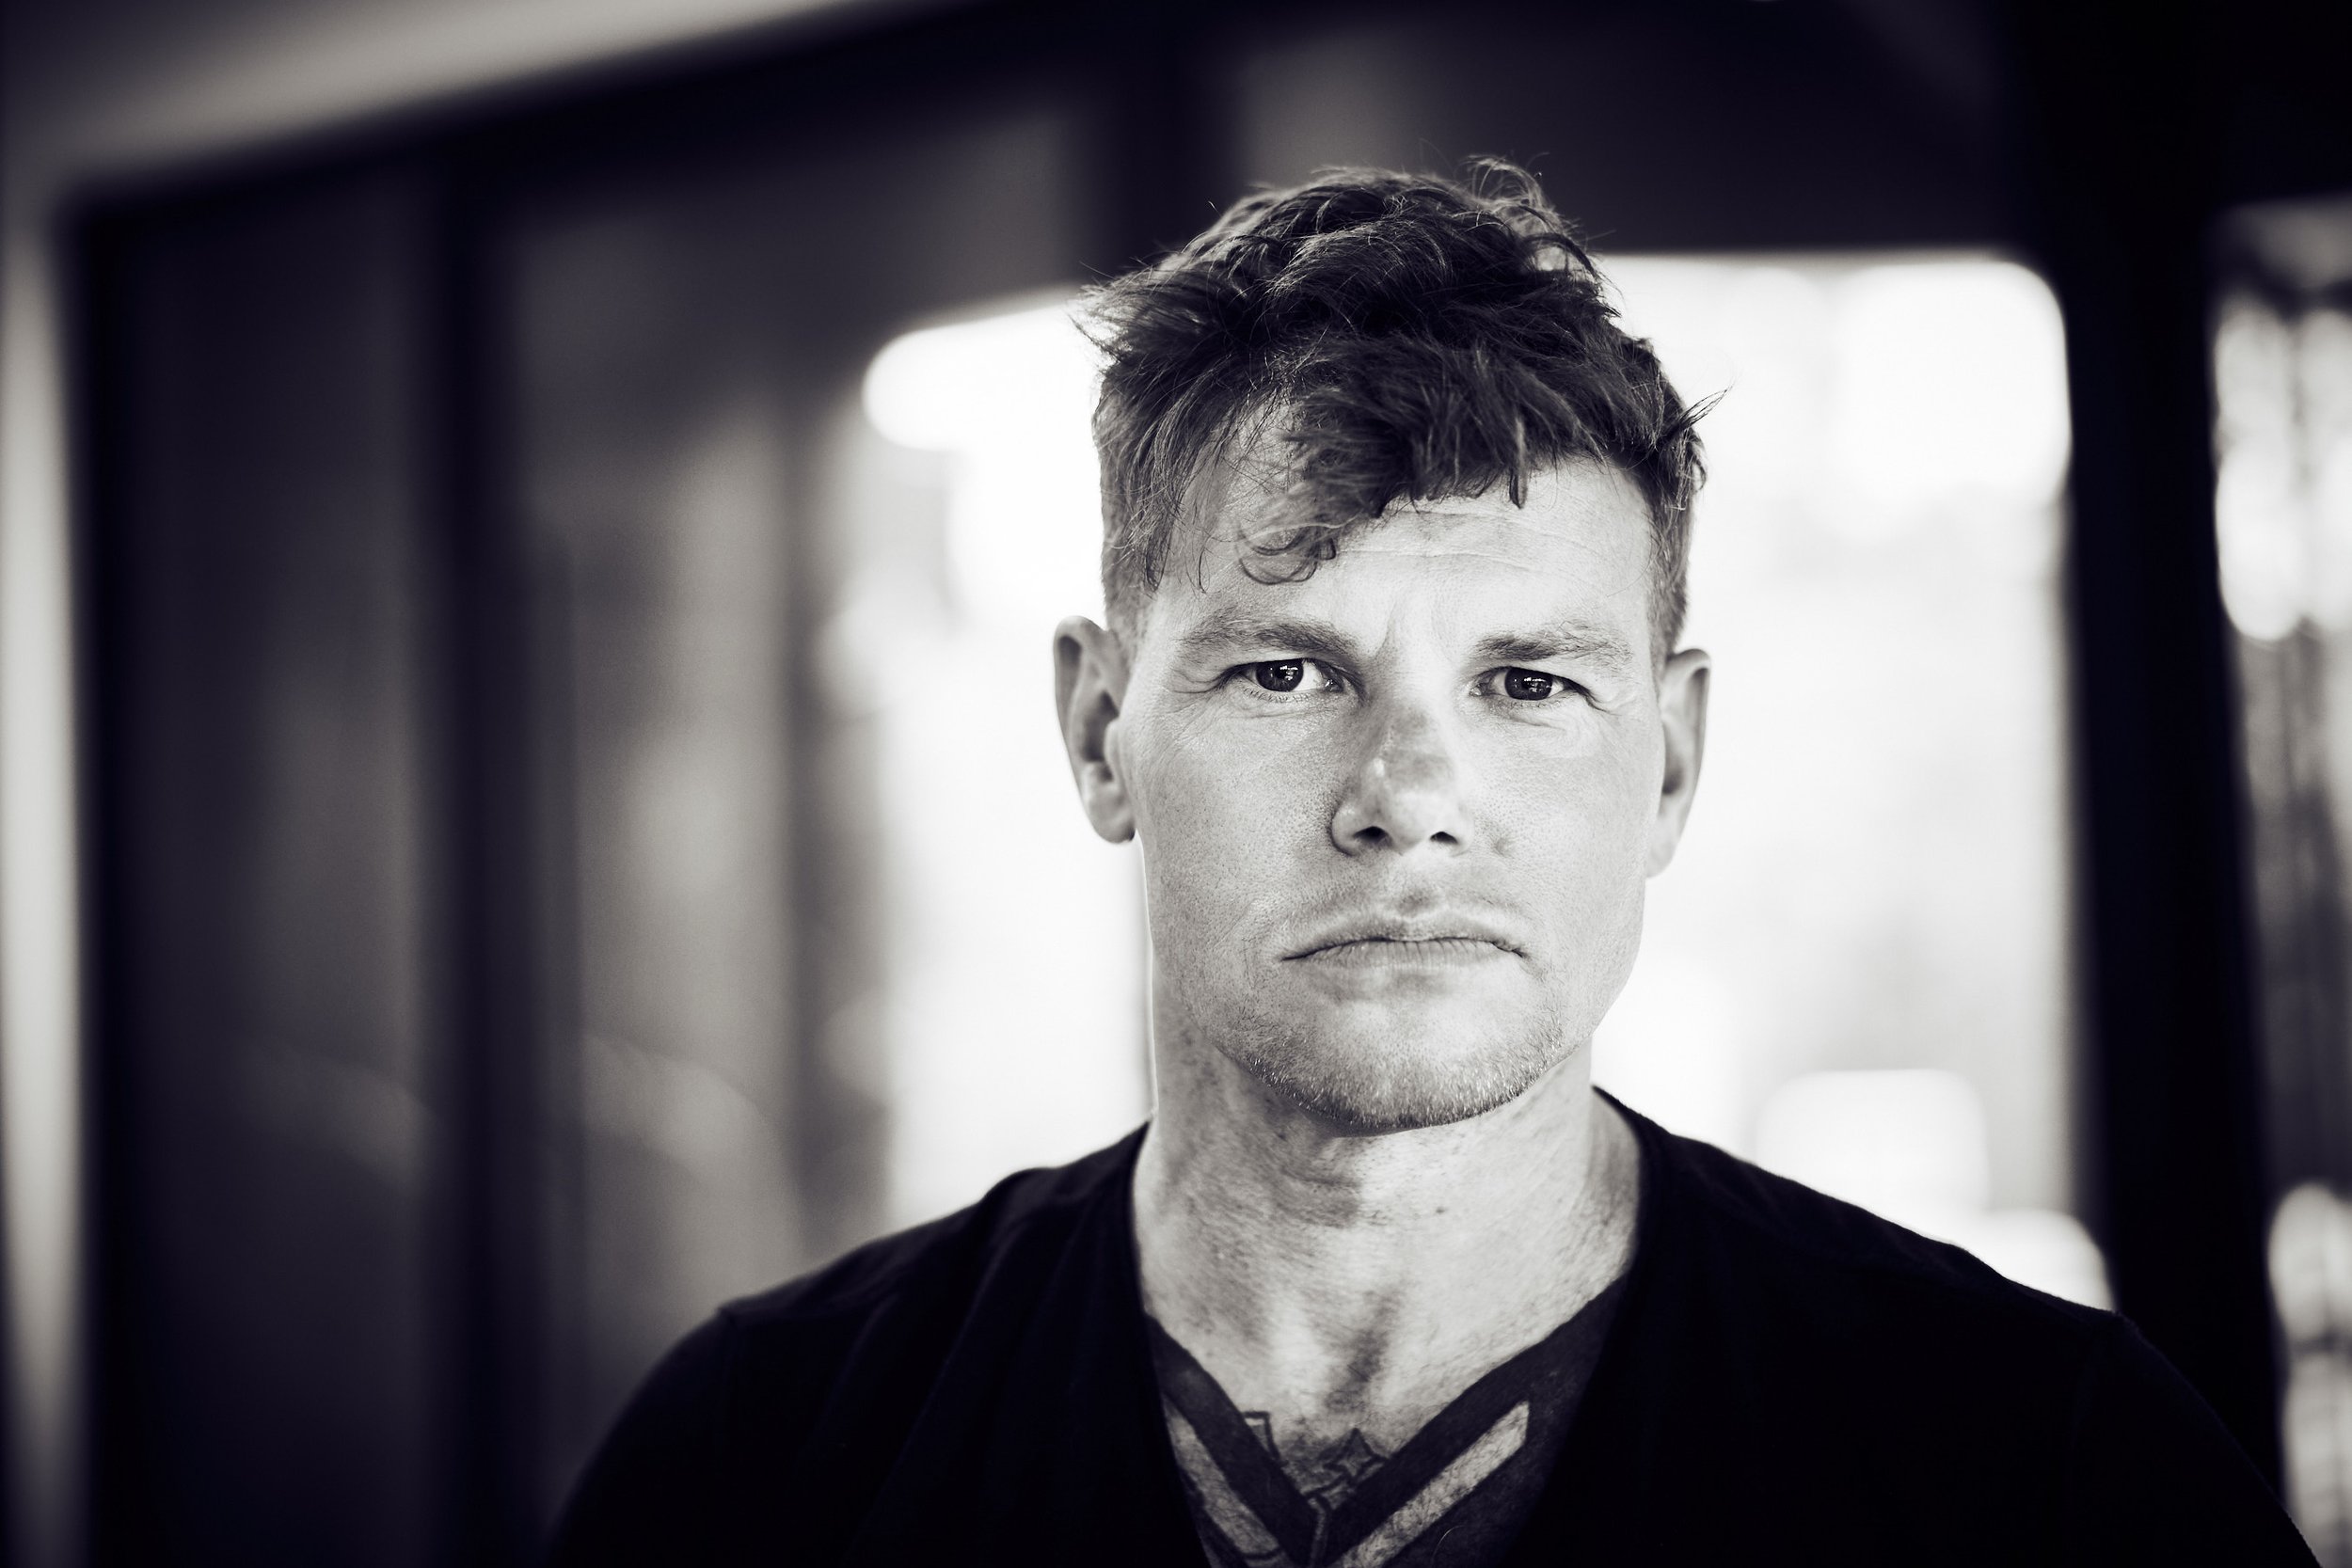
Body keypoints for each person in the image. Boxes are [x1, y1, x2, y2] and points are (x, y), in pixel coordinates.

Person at [546, 164, 2314, 1566]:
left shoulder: (2037, 1473)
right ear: (1100, 733)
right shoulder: (761, 1460)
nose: (1409, 795)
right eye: (1289, 670)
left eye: (1528, 683)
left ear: (1673, 763)